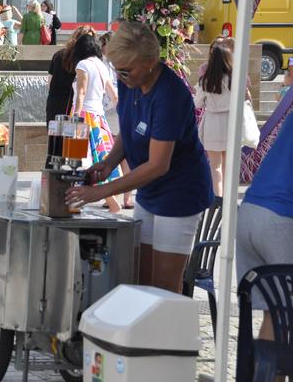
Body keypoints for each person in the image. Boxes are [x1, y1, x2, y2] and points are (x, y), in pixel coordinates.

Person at [66, 22, 214, 293]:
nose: (122, 76)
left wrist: (102, 192)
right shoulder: (130, 83)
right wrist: (109, 162)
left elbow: (158, 165)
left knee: (165, 284)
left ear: (149, 62)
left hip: (179, 193)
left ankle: (165, 334)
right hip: (150, 191)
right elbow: (129, 132)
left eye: (127, 70)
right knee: (141, 276)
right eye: (117, 70)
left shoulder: (170, 94)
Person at [236, 111, 293, 362]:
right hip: (279, 218)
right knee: (284, 314)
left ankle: (267, 375)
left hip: (251, 210)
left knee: (277, 313)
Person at [70, 34, 122, 213]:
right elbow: (113, 94)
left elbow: (81, 92)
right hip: (99, 118)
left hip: (83, 116)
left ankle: (76, 202)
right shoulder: (102, 65)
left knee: (77, 160)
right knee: (98, 159)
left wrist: (75, 116)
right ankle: (111, 201)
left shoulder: (82, 65)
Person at [45, 25, 96, 167]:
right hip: (73, 104)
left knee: (55, 143)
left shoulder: (59, 54)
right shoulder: (85, 62)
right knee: (73, 145)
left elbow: (49, 82)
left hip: (54, 103)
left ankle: (51, 176)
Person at [100, 31, 134, 209]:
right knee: (120, 156)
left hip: (114, 111)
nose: (103, 48)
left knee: (115, 155)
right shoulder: (124, 63)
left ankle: (120, 196)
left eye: (104, 44)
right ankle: (121, 197)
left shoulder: (109, 64)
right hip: (119, 111)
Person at [194, 44, 233, 197]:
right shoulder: (234, 79)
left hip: (212, 124)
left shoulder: (206, 81)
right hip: (231, 123)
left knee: (215, 166)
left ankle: (218, 197)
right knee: (228, 165)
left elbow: (196, 104)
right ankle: (229, 197)